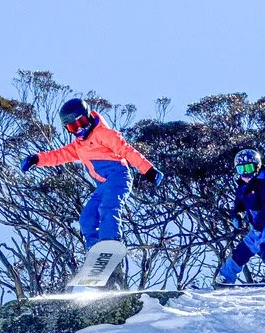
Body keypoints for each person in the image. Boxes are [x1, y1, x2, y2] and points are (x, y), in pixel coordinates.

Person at [21, 98, 164, 250]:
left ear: (88, 116)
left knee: (107, 207)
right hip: (102, 185)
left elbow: (126, 150)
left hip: (118, 177)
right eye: (73, 127)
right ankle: (94, 251)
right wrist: (37, 159)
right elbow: (59, 155)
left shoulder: (104, 134)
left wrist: (148, 170)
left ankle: (111, 241)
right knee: (87, 218)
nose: (79, 129)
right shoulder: (79, 146)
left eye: (81, 123)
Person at [215, 148, 265, 286]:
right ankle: (226, 277)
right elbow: (238, 206)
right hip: (256, 226)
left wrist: (260, 223)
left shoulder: (264, 185)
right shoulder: (242, 188)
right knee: (243, 250)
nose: (245, 173)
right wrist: (236, 216)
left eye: (248, 168)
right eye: (241, 169)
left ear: (257, 167)